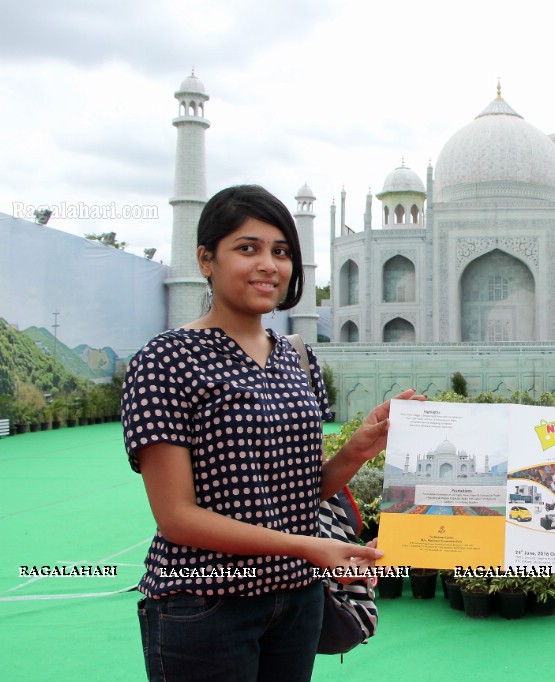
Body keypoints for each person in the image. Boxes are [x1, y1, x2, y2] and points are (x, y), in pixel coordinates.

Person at [121, 184, 420, 682]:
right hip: (206, 600)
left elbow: (296, 491)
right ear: (205, 259)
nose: (269, 264)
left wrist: (356, 450)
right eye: (248, 248)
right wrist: (307, 548)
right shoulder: (167, 359)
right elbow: (177, 517)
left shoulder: (297, 357)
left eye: (281, 252)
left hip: (295, 600)